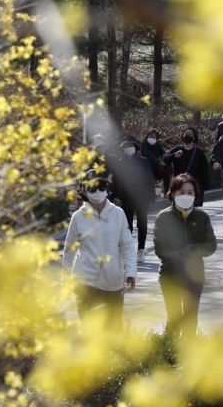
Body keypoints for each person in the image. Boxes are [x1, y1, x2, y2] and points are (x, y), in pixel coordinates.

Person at [62, 169, 137, 324]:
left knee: (112, 332)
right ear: (84, 189)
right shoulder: (78, 217)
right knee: (90, 336)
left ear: (107, 188)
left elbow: (127, 246)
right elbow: (70, 251)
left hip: (113, 284)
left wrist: (130, 272)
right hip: (85, 284)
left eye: (101, 186)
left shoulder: (118, 214)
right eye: (92, 186)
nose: (97, 191)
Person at [153, 174, 217, 338]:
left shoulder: (202, 217)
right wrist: (177, 257)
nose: (186, 196)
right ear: (173, 193)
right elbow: (160, 249)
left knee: (190, 319)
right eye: (182, 192)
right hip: (170, 276)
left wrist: (193, 250)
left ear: (195, 195)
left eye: (190, 192)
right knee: (174, 319)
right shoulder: (163, 217)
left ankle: (189, 356)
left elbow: (211, 245)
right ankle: (169, 354)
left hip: (194, 277)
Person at [105, 134, 157, 263]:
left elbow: (150, 180)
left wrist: (151, 198)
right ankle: (128, 250)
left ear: (135, 147)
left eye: (131, 145)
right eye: (126, 146)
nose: (129, 148)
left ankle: (141, 250)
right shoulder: (120, 164)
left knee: (142, 224)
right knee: (127, 226)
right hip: (126, 199)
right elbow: (117, 183)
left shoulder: (143, 161)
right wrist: (117, 197)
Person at [162, 127, 210, 206]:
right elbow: (165, 158)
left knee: (192, 212)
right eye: (186, 134)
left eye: (190, 134)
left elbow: (204, 170)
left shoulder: (199, 152)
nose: (187, 136)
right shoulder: (178, 149)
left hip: (193, 187)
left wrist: (204, 187)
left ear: (194, 137)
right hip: (179, 186)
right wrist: (174, 155)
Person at [141, 128, 171, 198]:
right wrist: (158, 161)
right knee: (151, 170)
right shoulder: (143, 145)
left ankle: (167, 191)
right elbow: (147, 155)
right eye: (150, 136)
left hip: (157, 167)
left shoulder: (158, 145)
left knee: (166, 171)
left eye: (154, 137)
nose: (152, 138)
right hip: (146, 168)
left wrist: (168, 162)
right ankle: (151, 194)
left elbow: (164, 155)